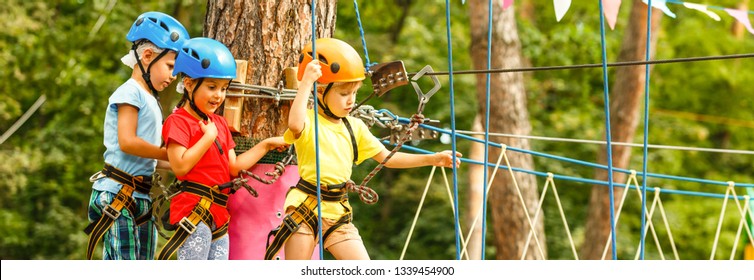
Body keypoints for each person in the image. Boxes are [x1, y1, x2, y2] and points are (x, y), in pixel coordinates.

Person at [264, 38, 461, 260]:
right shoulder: (309, 121)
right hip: (304, 208)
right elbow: (294, 125)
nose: (351, 101)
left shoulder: (354, 127)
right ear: (320, 92)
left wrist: (433, 159)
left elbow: (387, 158)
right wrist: (307, 83)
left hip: (338, 211)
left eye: (354, 93)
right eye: (343, 94)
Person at [157, 37, 288, 260]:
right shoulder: (178, 121)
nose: (219, 95)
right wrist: (207, 138)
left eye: (224, 88)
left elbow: (234, 167)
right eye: (211, 87)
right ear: (189, 84)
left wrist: (265, 145)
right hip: (193, 209)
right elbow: (180, 167)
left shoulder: (218, 124)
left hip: (219, 214)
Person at [84, 11, 189, 260]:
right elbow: (128, 142)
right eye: (170, 66)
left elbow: (153, 157)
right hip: (116, 193)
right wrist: (169, 154)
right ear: (148, 56)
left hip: (140, 195)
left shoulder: (152, 99)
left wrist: (187, 164)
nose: (173, 76)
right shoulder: (130, 93)